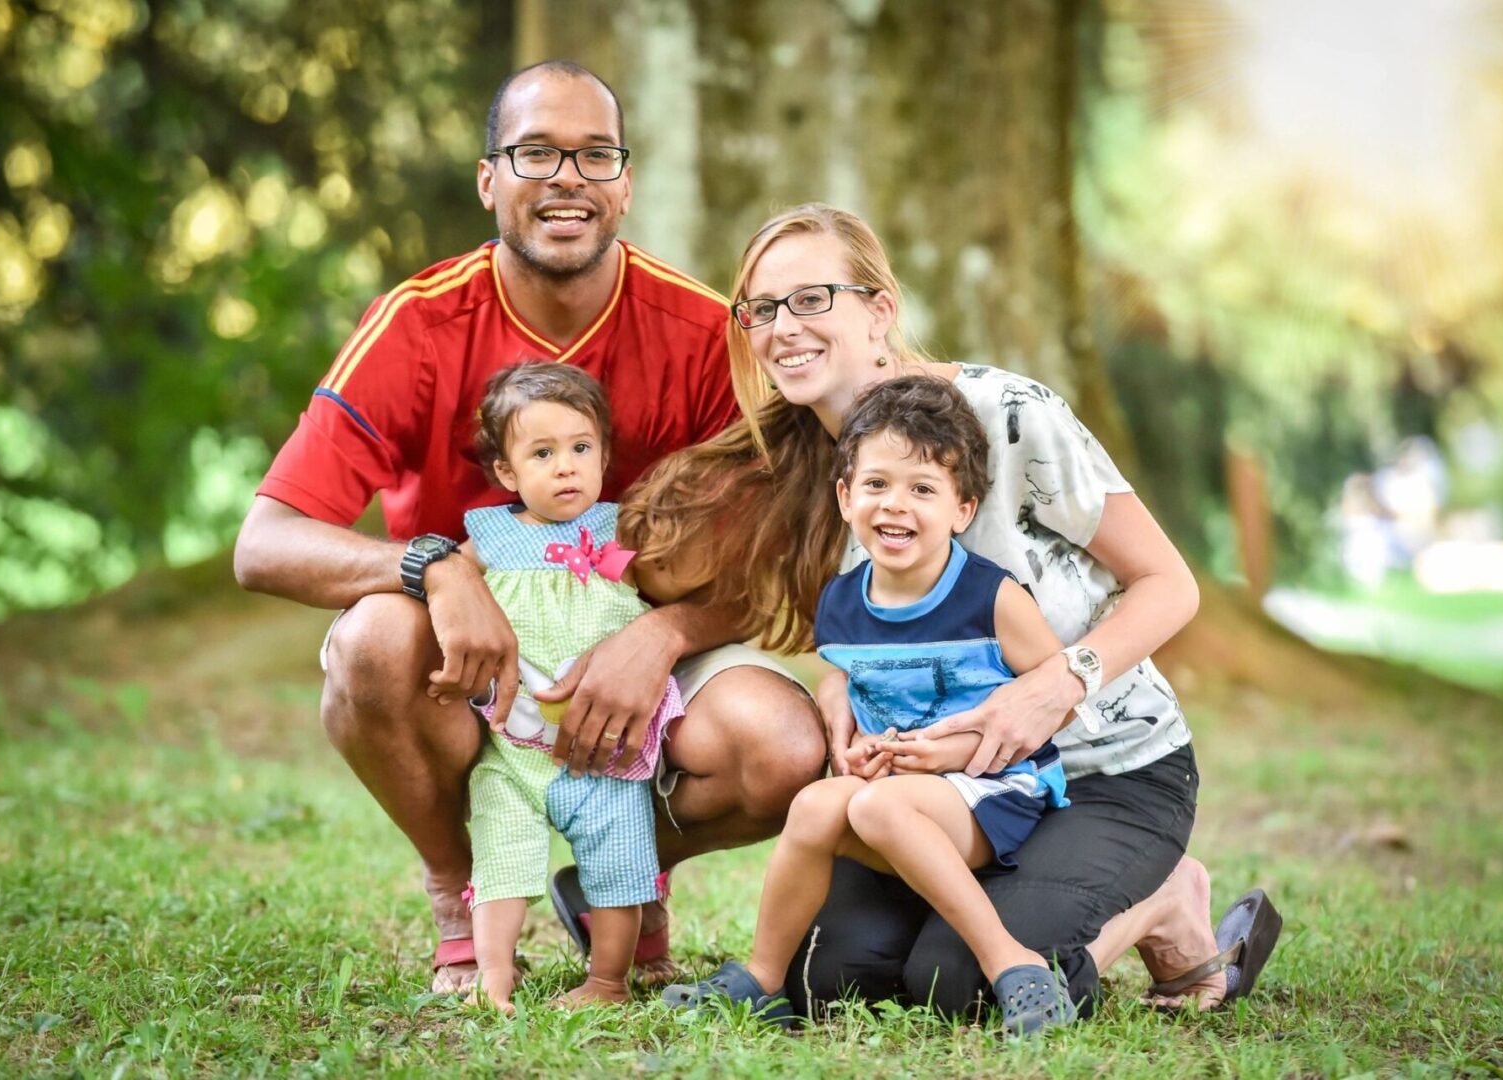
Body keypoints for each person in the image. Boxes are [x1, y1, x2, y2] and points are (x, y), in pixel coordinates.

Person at [233, 61, 825, 993]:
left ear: (625, 184)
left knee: (782, 749)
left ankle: (617, 870)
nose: (566, 180)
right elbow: (264, 542)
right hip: (474, 648)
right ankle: (460, 888)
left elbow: (770, 554)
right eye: (535, 153)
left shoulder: (707, 333)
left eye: (595, 156)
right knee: (371, 644)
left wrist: (661, 633)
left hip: (647, 649)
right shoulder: (420, 324)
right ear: (488, 180)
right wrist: (438, 569)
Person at [623, 204, 1282, 1021]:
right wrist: (839, 698)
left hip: (1099, 773)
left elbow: (1169, 585)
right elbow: (851, 629)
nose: (781, 327)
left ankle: (1163, 901)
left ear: (879, 312)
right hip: (936, 790)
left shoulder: (1006, 416)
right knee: (832, 981)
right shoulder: (817, 474)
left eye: (810, 299)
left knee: (958, 985)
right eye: (760, 308)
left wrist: (1053, 686)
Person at [663, 376, 1080, 1036]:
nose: (896, 505)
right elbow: (850, 683)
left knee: (875, 803)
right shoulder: (841, 603)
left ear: (962, 509)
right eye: (877, 484)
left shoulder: (990, 599)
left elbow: (1054, 699)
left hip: (993, 789)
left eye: (922, 489)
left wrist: (953, 751)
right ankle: (762, 979)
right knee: (816, 802)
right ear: (845, 496)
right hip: (897, 790)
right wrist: (853, 737)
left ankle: (1010, 962)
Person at [458, 362, 680, 1013]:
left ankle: (607, 982)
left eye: (580, 449)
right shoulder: (490, 537)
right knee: (500, 854)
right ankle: (491, 976)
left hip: (605, 745)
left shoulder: (625, 528)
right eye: (543, 453)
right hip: (513, 744)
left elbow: (673, 592)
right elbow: (452, 590)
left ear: (604, 455)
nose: (565, 467)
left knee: (619, 862)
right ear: (506, 472)